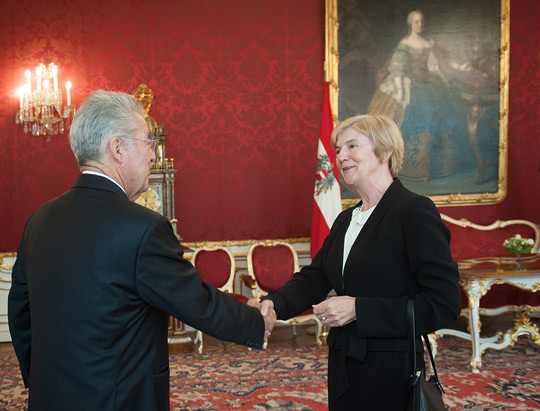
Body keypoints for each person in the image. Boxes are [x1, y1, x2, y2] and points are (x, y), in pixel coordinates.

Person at [8, 90, 276, 411]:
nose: (153, 155)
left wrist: (39, 380)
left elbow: (20, 314)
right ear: (117, 148)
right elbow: (195, 302)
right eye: (148, 142)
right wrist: (256, 321)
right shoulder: (144, 227)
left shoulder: (39, 219)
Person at [254, 114, 461, 410]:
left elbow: (444, 303)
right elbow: (315, 278)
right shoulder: (345, 219)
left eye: (352, 146)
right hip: (344, 362)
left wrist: (357, 309)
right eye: (338, 149)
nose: (341, 156)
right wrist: (275, 303)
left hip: (390, 369)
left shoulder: (413, 212)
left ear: (385, 152)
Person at [368, 10, 472, 181]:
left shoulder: (428, 43)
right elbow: (398, 70)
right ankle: (414, 167)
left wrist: (460, 67)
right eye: (416, 22)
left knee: (444, 110)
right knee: (421, 111)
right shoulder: (404, 44)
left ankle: (442, 165)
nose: (420, 24)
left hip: (432, 84)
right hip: (413, 85)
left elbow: (442, 61)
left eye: (421, 21)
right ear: (411, 24)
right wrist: (400, 92)